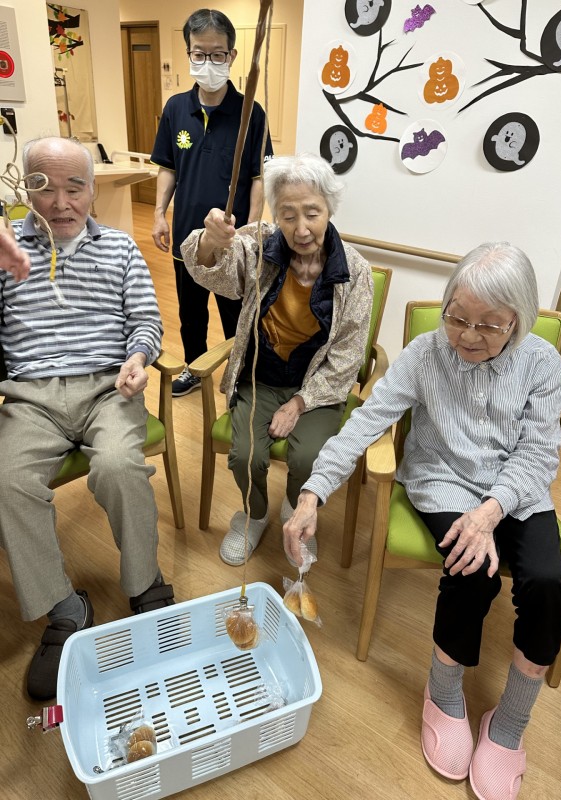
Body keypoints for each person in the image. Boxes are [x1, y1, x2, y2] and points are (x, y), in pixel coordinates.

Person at [284, 242, 561, 800]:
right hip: (443, 478)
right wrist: (312, 493)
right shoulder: (424, 354)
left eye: (488, 325)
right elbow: (365, 422)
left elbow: (538, 455)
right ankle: (443, 695)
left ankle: (510, 722)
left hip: (517, 491)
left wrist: (492, 509)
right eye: (457, 317)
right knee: (471, 569)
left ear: (518, 320)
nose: (467, 335)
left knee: (547, 581)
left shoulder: (542, 363)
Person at [0, 136, 175, 702]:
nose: (60, 202)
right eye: (44, 188)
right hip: (30, 397)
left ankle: (145, 585)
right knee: (6, 481)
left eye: (74, 187)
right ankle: (63, 608)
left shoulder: (119, 248)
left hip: (107, 388)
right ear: (26, 190)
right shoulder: (6, 249)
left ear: (93, 191)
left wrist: (138, 358)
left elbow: (146, 320)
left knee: (120, 466)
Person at [181, 153, 374, 566]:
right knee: (244, 454)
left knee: (308, 458)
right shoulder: (260, 245)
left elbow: (346, 356)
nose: (301, 229)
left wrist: (300, 403)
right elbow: (214, 270)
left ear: (329, 209)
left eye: (312, 213)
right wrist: (212, 240)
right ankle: (252, 516)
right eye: (288, 215)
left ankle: (296, 511)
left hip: (316, 387)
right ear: (276, 215)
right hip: (262, 376)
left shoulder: (354, 272)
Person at [151, 8, 274, 397]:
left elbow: (259, 177)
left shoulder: (251, 112)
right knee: (190, 313)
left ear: (232, 55)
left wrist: (250, 232)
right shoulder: (175, 109)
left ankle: (237, 375)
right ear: (188, 52)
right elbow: (168, 167)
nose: (208, 62)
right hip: (187, 236)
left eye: (217, 54)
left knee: (236, 313)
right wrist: (158, 214)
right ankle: (194, 369)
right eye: (199, 53)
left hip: (231, 240)